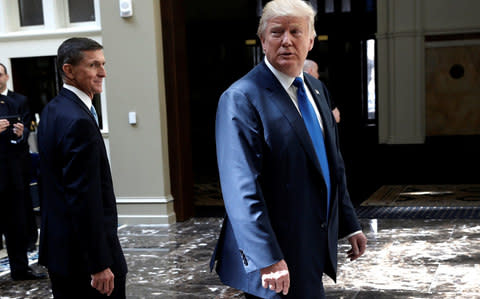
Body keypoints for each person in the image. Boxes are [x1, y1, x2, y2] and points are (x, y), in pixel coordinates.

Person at [210, 0, 367, 298]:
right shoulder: (241, 97)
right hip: (274, 256)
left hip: (312, 243)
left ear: (310, 40)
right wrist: (266, 258)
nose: (286, 40)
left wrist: (349, 223)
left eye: (296, 31)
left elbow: (332, 164)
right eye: (276, 32)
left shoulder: (316, 89)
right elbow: (240, 187)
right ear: (263, 40)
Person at [37, 37, 127, 298]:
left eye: (103, 64)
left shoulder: (53, 110)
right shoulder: (78, 121)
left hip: (61, 253)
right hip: (85, 261)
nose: (103, 73)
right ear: (69, 70)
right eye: (93, 65)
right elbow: (83, 198)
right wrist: (99, 264)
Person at [0, 63, 46, 281]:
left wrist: (19, 133)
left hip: (14, 173)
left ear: (6, 76)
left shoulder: (20, 100)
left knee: (17, 224)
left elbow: (27, 129)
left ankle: (21, 269)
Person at [303, 59, 341, 123]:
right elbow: (336, 117)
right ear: (310, 71)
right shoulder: (319, 87)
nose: (318, 75)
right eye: (317, 71)